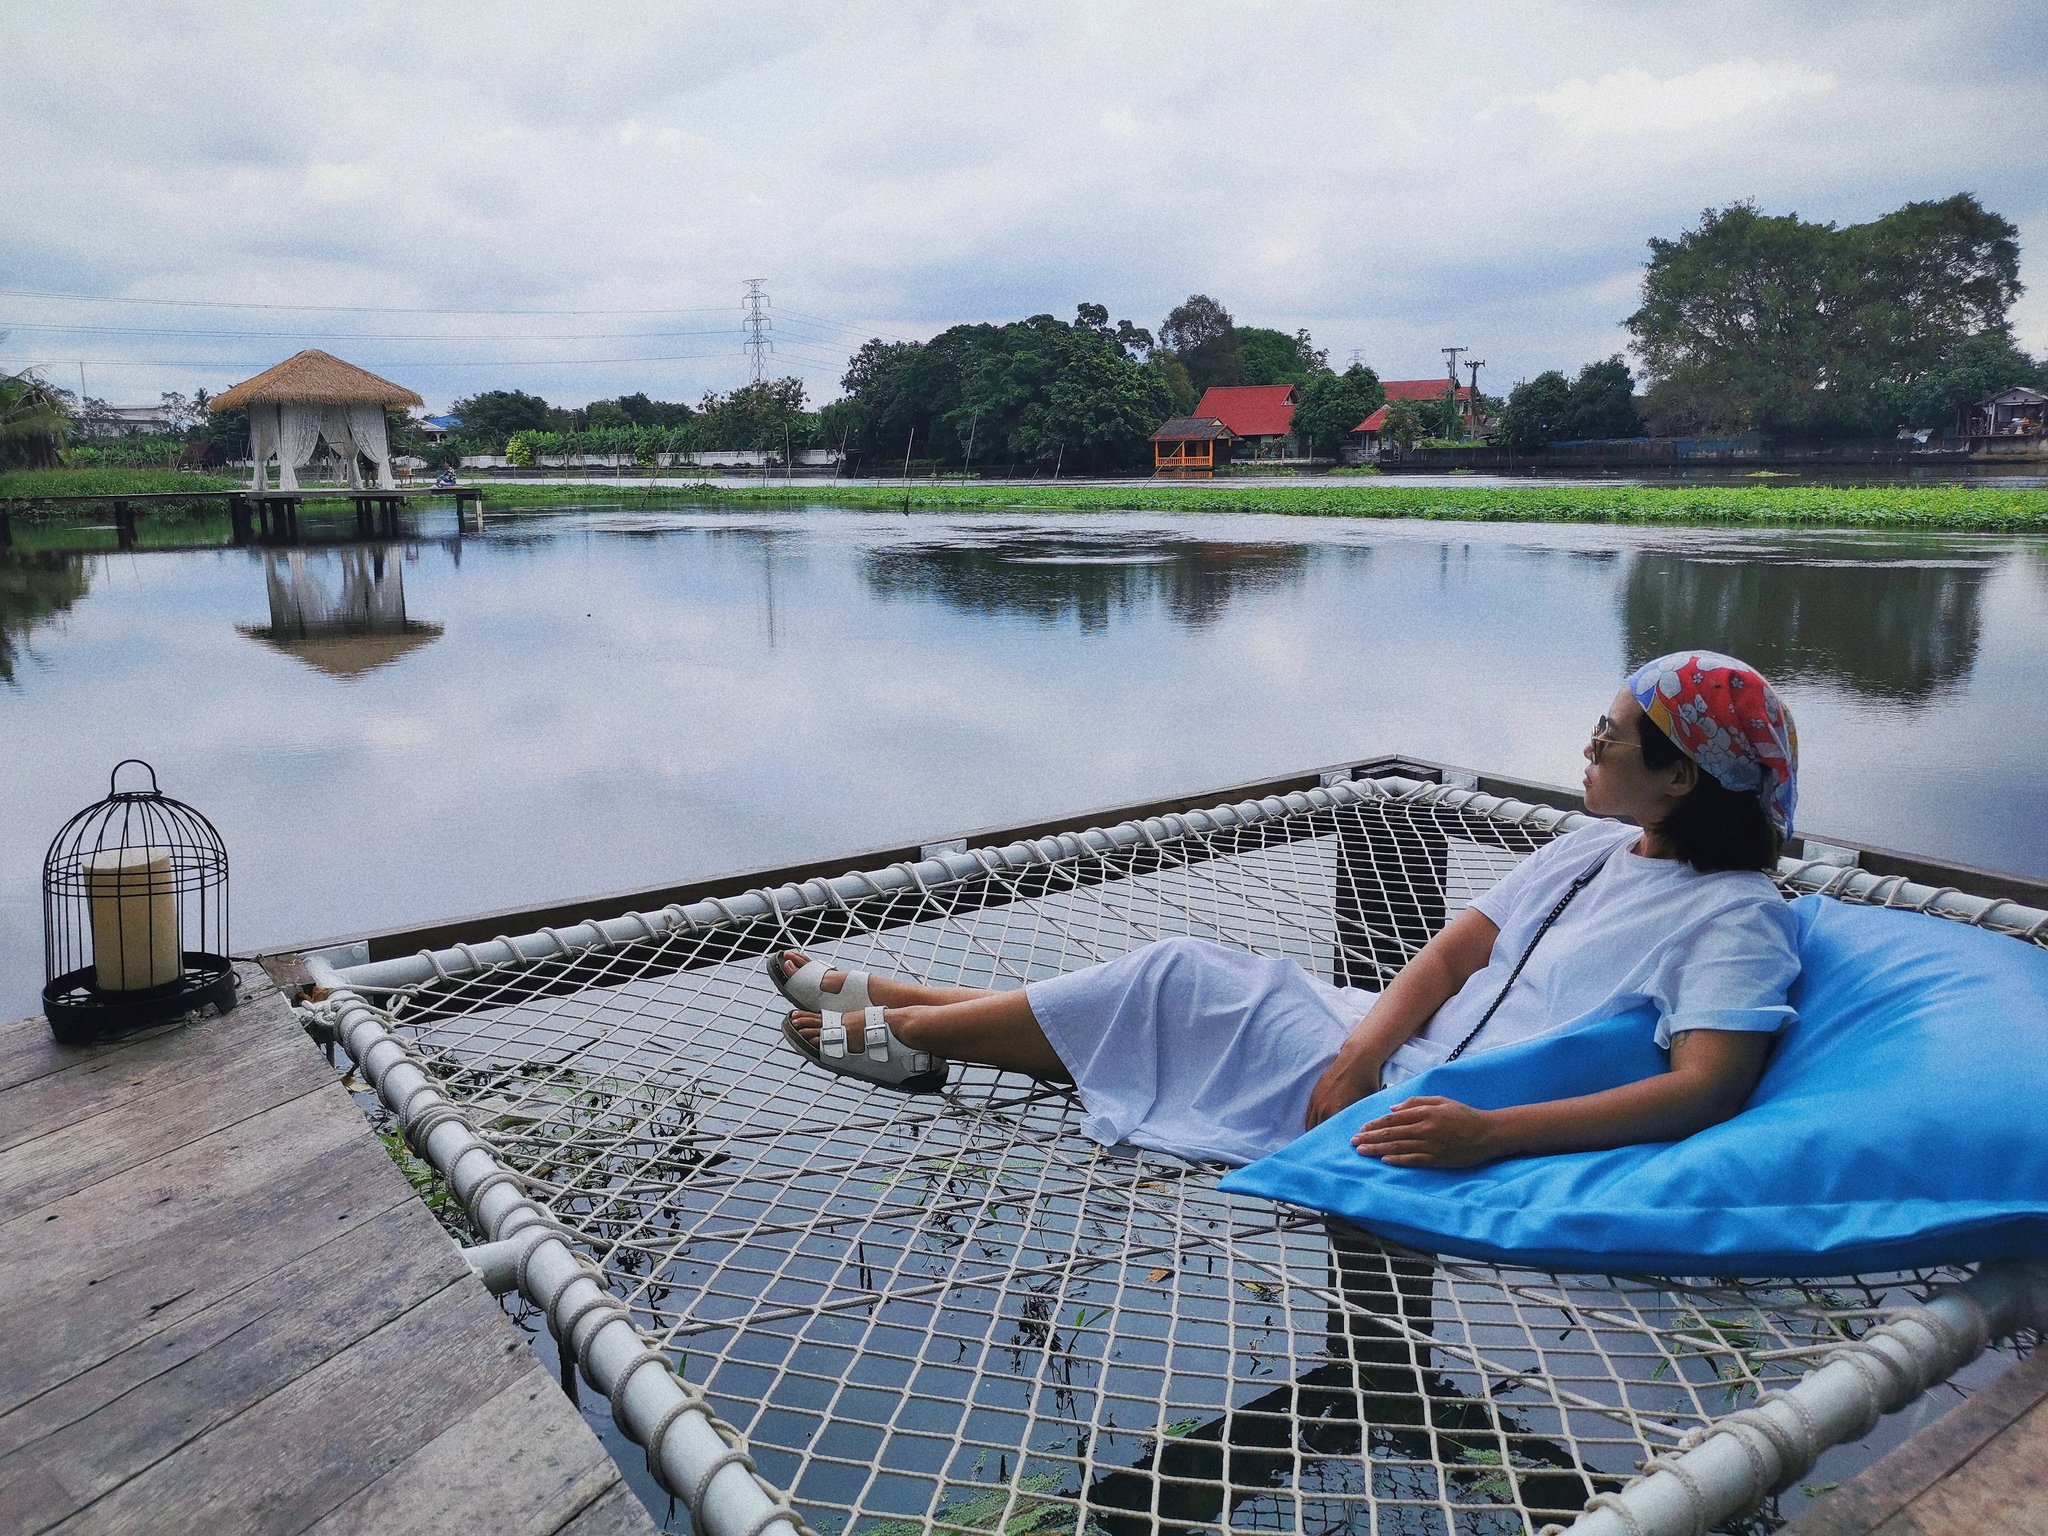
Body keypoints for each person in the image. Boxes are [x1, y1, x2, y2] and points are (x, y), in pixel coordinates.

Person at [774, 650, 1802, 1170]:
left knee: (1175, 980)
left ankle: (905, 1026)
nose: (1586, 749)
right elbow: (1449, 958)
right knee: (1180, 988)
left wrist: (1488, 1134)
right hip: (1379, 1052)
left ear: (1679, 780)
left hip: (1438, 1101)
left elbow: (1704, 1091)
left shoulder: (1733, 919)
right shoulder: (1593, 848)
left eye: (1608, 738)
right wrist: (1358, 1051)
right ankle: (916, 1018)